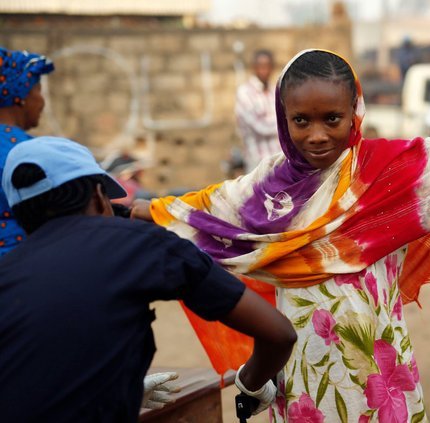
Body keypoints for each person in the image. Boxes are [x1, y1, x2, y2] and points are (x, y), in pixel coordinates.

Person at [131, 48, 430, 422]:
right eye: (301, 121)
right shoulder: (263, 189)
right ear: (283, 119)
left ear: (354, 112)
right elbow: (193, 212)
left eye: (332, 119)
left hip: (379, 363)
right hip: (303, 369)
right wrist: (116, 208)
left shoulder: (387, 172)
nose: (317, 135)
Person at [0, 136, 296, 422]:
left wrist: (121, 386)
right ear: (97, 195)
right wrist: (252, 382)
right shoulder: (140, 244)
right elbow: (278, 333)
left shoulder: (8, 272)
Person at [0, 47, 54, 256]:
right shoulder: (28, 151)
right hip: (19, 263)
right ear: (20, 96)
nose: (42, 101)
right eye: (38, 90)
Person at [235, 49, 281, 172]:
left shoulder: (275, 91)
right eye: (261, 66)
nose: (264, 69)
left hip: (279, 161)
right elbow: (261, 127)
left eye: (267, 66)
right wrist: (284, 123)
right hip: (257, 164)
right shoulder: (245, 92)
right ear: (254, 67)